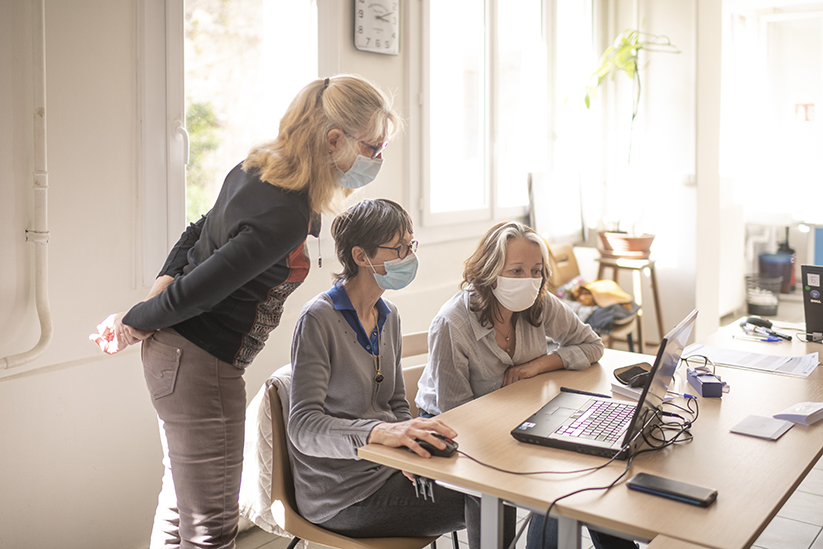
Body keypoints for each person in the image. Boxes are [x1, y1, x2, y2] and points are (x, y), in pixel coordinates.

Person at [88, 75, 401, 549]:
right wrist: (136, 320)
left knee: (180, 512)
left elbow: (198, 234)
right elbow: (205, 287)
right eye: (374, 148)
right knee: (209, 527)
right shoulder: (286, 211)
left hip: (179, 357)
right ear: (335, 140)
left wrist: (153, 302)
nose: (377, 160)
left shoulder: (261, 169)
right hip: (199, 364)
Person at [287, 198, 509, 549]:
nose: (409, 256)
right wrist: (380, 432)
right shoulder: (318, 319)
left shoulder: (388, 315)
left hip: (389, 469)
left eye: (411, 244)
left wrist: (410, 445)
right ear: (361, 257)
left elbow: (394, 402)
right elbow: (303, 428)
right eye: (399, 248)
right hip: (341, 494)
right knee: (489, 497)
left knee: (496, 481)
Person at [415, 221, 637, 549]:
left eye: (536, 271)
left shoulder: (539, 303)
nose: (529, 281)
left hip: (521, 418)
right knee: (550, 479)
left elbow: (592, 345)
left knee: (588, 469)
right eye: (516, 271)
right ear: (489, 272)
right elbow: (457, 418)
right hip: (460, 436)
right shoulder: (452, 323)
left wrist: (537, 364)